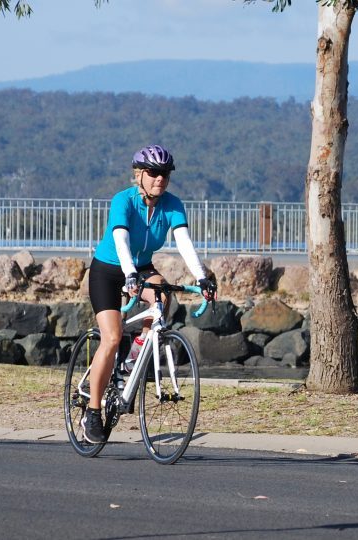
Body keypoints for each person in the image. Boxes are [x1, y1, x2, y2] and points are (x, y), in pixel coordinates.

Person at [81, 144, 215, 444]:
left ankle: (136, 353)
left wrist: (202, 277)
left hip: (141, 267)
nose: (160, 179)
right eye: (153, 173)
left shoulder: (172, 204)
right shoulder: (123, 200)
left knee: (163, 297)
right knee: (112, 336)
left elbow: (183, 242)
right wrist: (128, 273)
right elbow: (121, 239)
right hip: (109, 269)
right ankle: (92, 410)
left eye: (165, 174)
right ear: (139, 174)